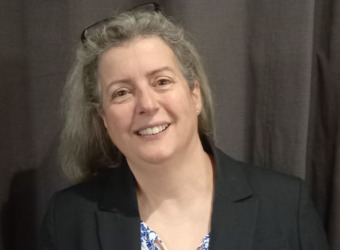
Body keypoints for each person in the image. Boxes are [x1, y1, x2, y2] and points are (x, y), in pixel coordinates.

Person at [39, 3, 329, 250]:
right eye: (122, 93)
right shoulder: (69, 219)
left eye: (161, 81)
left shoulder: (286, 206)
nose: (147, 104)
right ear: (103, 120)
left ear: (195, 95)